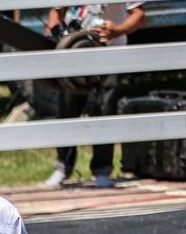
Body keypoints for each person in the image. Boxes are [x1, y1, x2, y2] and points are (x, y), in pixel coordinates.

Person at [43, 3, 146, 189]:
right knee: (67, 108)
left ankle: (102, 170)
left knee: (105, 109)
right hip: (73, 50)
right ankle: (62, 167)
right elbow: (55, 12)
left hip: (109, 52)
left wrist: (118, 30)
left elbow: (138, 15)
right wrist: (55, 34)